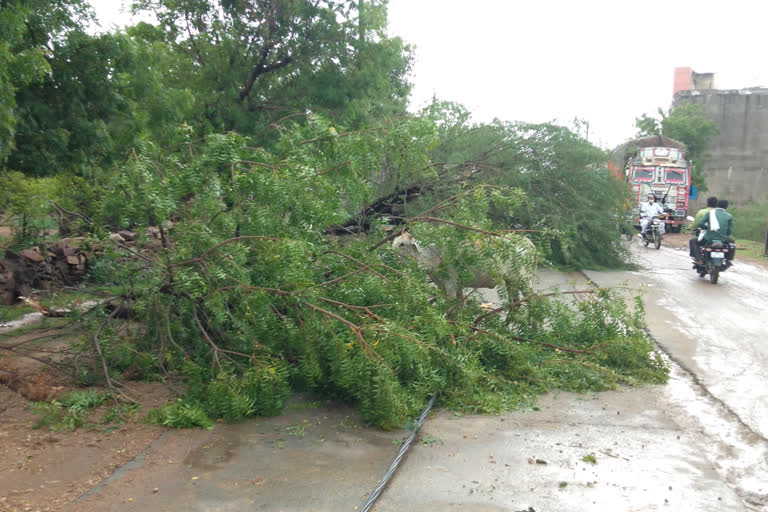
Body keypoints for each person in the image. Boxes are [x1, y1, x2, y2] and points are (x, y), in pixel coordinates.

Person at [697, 198, 735, 264]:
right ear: (726, 206)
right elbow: (729, 231)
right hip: (722, 239)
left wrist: (706, 228)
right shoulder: (729, 216)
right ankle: (728, 259)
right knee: (732, 243)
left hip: (709, 238)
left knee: (693, 241)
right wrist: (724, 235)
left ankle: (698, 259)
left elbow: (700, 224)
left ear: (717, 205)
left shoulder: (710, 213)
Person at [689, 196, 718, 261]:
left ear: (707, 203)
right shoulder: (720, 213)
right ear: (716, 204)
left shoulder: (702, 212)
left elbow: (696, 223)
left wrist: (690, 228)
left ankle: (698, 259)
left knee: (693, 241)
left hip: (706, 235)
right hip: (719, 236)